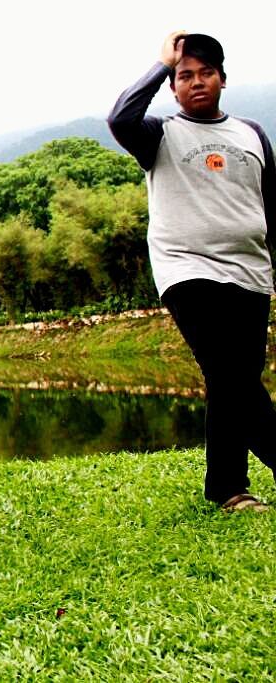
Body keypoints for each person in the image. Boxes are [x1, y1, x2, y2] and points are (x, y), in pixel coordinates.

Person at [108, 31, 276, 513]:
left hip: (250, 270)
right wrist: (161, 62)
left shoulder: (252, 134)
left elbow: (272, 204)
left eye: (206, 73)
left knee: (235, 379)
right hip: (187, 269)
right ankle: (236, 483)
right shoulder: (159, 133)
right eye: (185, 76)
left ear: (223, 78)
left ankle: (228, 489)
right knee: (228, 372)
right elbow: (120, 119)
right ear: (172, 86)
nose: (196, 82)